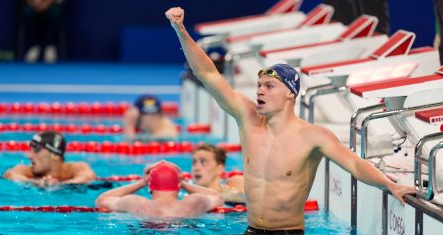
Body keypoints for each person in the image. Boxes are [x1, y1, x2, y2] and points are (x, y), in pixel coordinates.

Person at [165, 7, 416, 234]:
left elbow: (355, 165)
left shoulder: (311, 136)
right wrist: (181, 30)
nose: (260, 91)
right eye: (259, 85)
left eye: (269, 86)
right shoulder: (248, 119)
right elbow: (207, 73)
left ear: (290, 94)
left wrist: (390, 185)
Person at [95, 161, 223, 218]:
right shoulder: (195, 201)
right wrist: (183, 182)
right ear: (178, 186)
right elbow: (218, 197)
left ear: (150, 187)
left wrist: (141, 182)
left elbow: (102, 200)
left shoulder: (135, 203)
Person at [4, 130, 95, 185]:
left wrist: (59, 185)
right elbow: (11, 174)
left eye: (37, 149)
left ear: (55, 154)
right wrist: (36, 183)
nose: (29, 155)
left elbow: (87, 177)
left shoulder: (74, 169)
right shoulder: (28, 171)